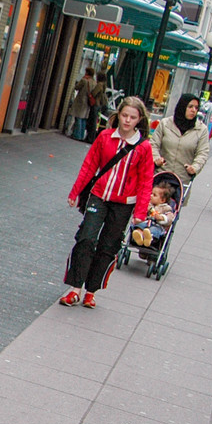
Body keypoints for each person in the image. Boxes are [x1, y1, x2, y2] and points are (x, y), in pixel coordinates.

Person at [60, 96, 155, 309]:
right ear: (118, 115)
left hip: (124, 203)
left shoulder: (144, 147)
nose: (127, 121)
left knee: (108, 246)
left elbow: (146, 181)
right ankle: (75, 288)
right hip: (99, 196)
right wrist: (75, 192)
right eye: (124, 115)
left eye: (132, 117)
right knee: (86, 238)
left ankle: (91, 291)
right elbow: (89, 166)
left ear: (139, 120)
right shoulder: (104, 137)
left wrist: (140, 212)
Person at [150, 93, 210, 206]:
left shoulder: (201, 130)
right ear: (182, 106)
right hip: (161, 175)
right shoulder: (165, 124)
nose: (193, 110)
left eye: (196, 108)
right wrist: (156, 159)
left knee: (170, 213)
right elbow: (153, 144)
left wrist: (195, 167)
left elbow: (203, 152)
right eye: (190, 106)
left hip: (181, 180)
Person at [129, 180, 175, 247]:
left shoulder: (166, 208)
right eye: (151, 193)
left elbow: (170, 218)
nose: (151, 196)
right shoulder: (147, 204)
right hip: (145, 222)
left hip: (157, 225)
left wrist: (161, 218)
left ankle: (148, 238)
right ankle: (139, 236)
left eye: (154, 195)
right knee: (140, 226)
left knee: (154, 230)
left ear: (162, 200)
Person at [67, 67, 95, 141]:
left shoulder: (84, 80)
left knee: (78, 117)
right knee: (83, 119)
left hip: (81, 101)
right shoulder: (94, 82)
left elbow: (77, 87)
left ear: (87, 73)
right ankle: (81, 135)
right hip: (88, 102)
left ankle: (77, 135)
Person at [85, 71, 107, 143]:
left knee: (92, 121)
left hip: (95, 104)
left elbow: (94, 93)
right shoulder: (104, 85)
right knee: (94, 121)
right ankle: (91, 137)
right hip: (99, 104)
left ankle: (90, 138)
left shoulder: (99, 85)